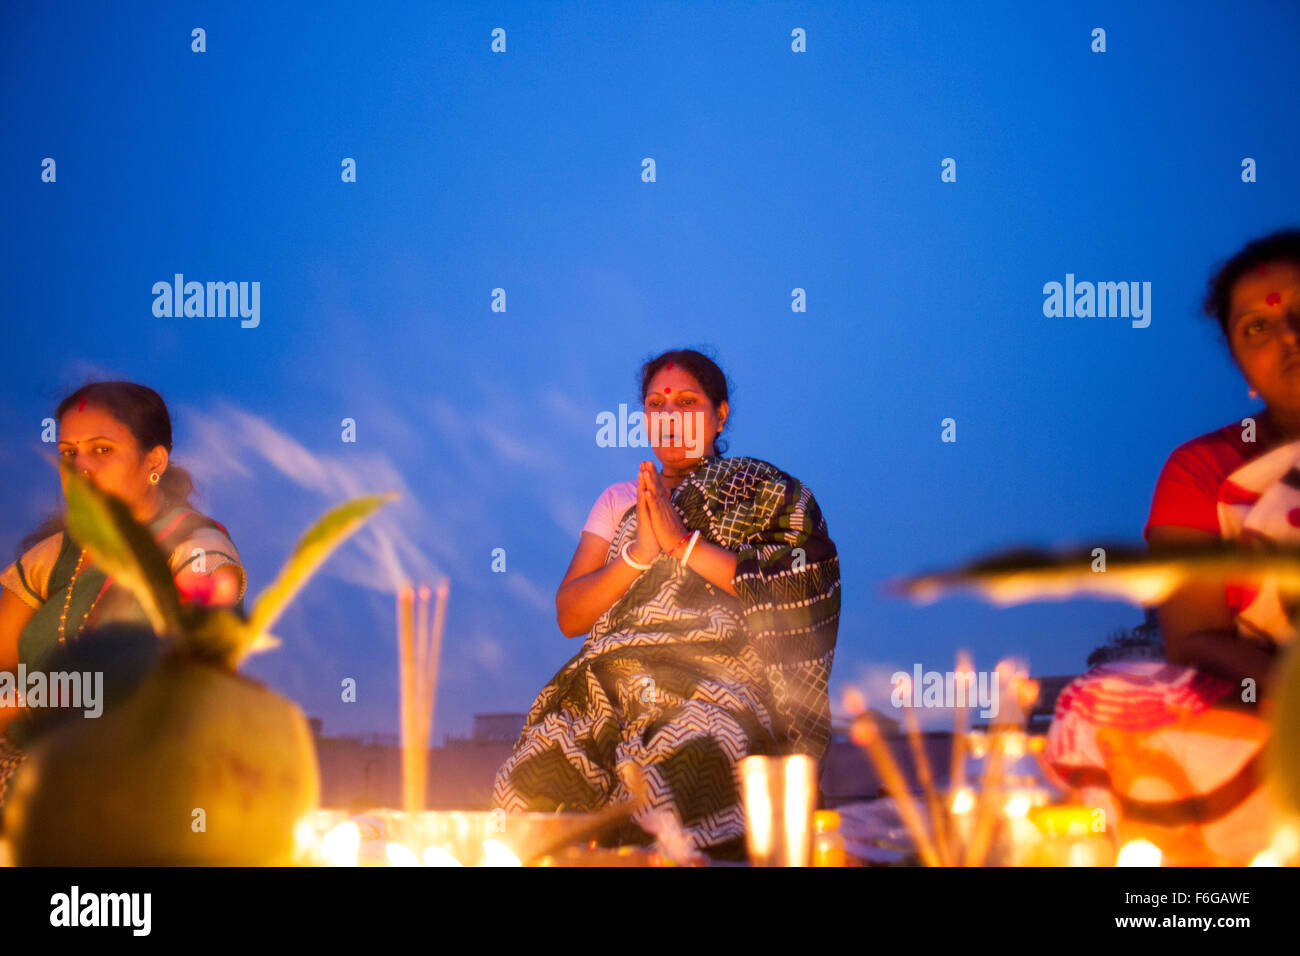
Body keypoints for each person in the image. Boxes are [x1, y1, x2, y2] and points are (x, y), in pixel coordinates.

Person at [490, 349, 841, 860]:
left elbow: (799, 584)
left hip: (716, 683)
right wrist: (639, 554)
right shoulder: (619, 501)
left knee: (689, 763)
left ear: (720, 414)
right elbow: (571, 614)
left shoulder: (761, 493)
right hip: (606, 686)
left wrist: (684, 545)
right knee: (528, 785)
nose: (670, 415)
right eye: (656, 404)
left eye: (687, 401)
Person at [1045, 229, 1300, 864]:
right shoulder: (1203, 469)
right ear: (1241, 368)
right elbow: (1195, 637)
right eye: (1256, 328)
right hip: (1262, 703)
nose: (1288, 336)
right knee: (1109, 706)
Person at [0, 382, 247, 810]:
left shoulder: (196, 548)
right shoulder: (54, 556)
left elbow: (192, 672)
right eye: (67, 452)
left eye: (101, 450)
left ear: (154, 461)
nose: (80, 468)